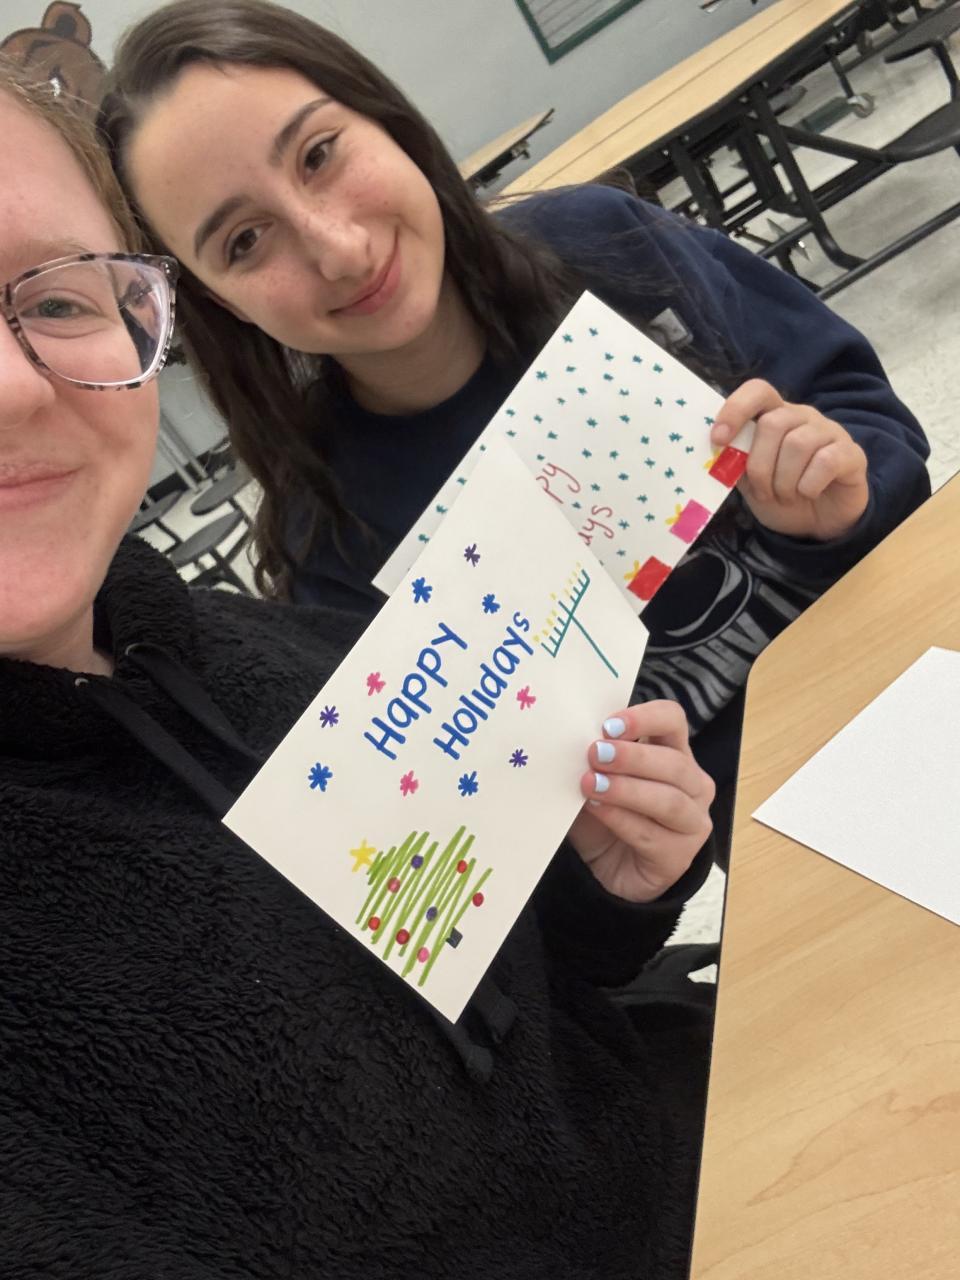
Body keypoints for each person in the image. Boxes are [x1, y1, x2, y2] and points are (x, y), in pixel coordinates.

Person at [0, 58, 721, 1279]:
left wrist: (607, 885)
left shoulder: (275, 651)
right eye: (241, 239)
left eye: (55, 298)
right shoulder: (321, 551)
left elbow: (515, 1004)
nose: (12, 389)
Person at [98, 0, 931, 853]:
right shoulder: (335, 542)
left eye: (319, 154)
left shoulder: (608, 246)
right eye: (243, 241)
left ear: (385, 120)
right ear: (220, 304)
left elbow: (869, 418)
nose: (338, 250)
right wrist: (601, 849)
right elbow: (506, 843)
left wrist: (845, 496)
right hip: (779, 843)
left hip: (918, 647)